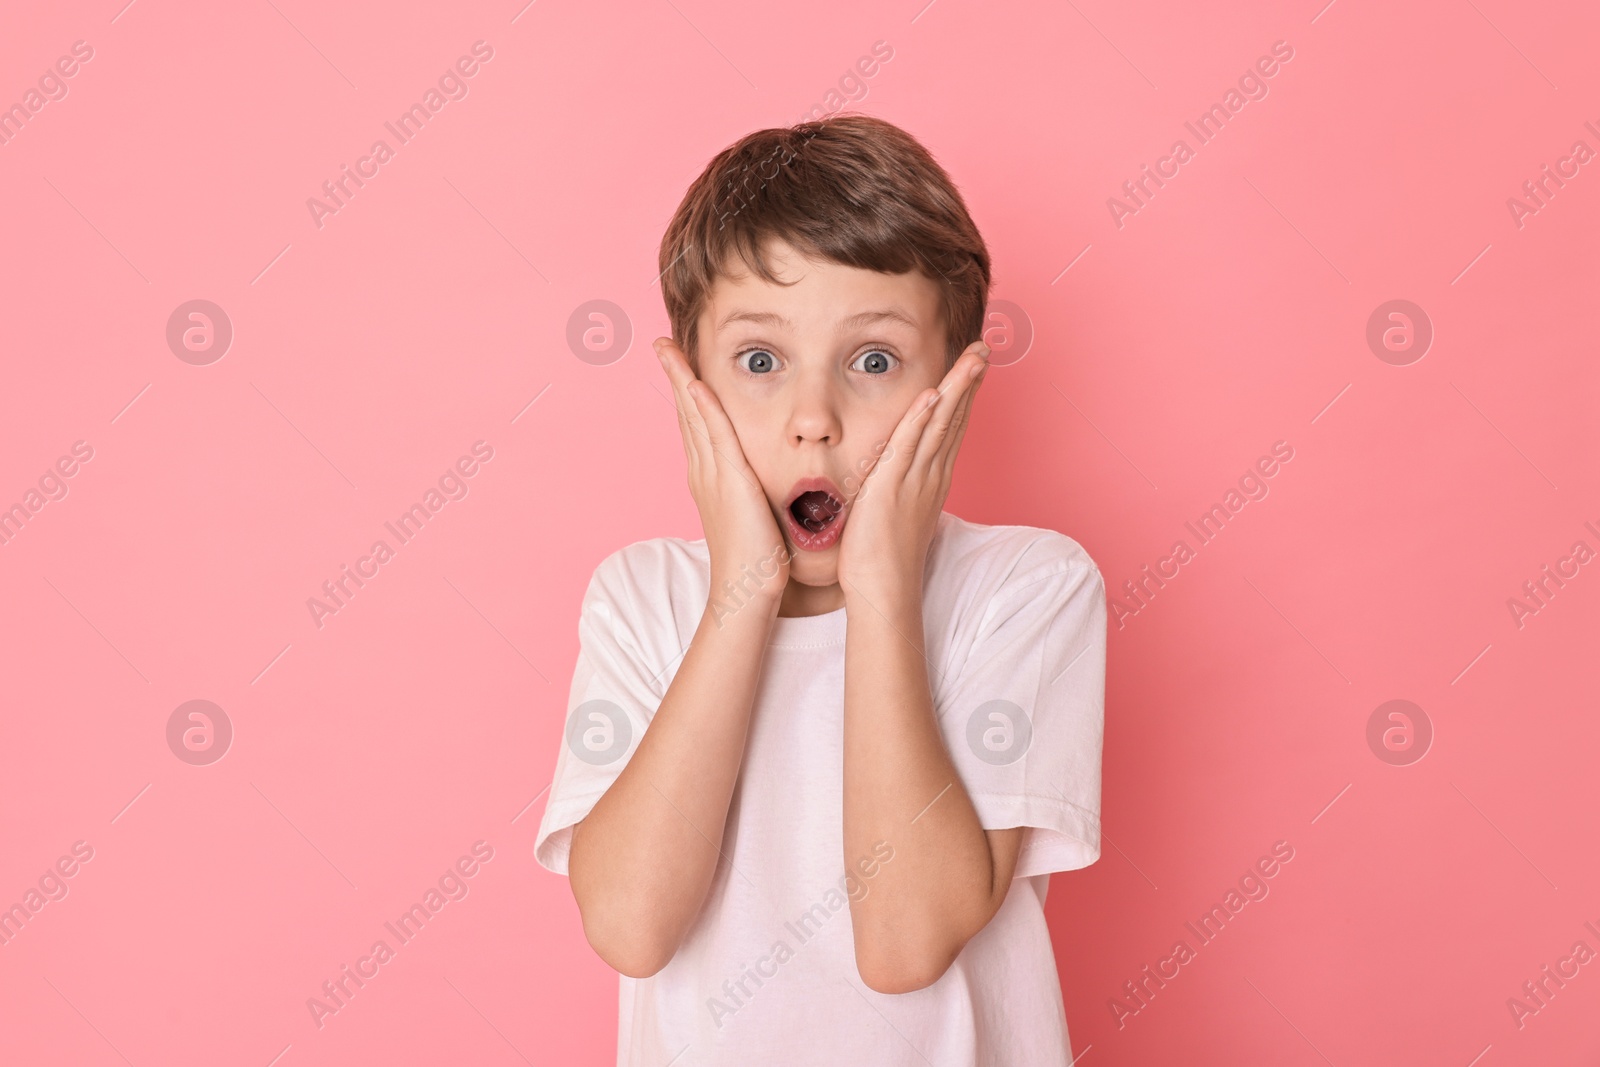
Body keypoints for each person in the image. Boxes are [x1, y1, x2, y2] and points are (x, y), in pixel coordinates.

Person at [535, 113, 1107, 1065]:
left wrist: (882, 593)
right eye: (760, 362)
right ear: (692, 392)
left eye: (873, 361)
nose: (813, 420)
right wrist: (740, 597)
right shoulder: (644, 599)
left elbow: (905, 942)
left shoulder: (1026, 589)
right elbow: (632, 928)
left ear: (959, 388)